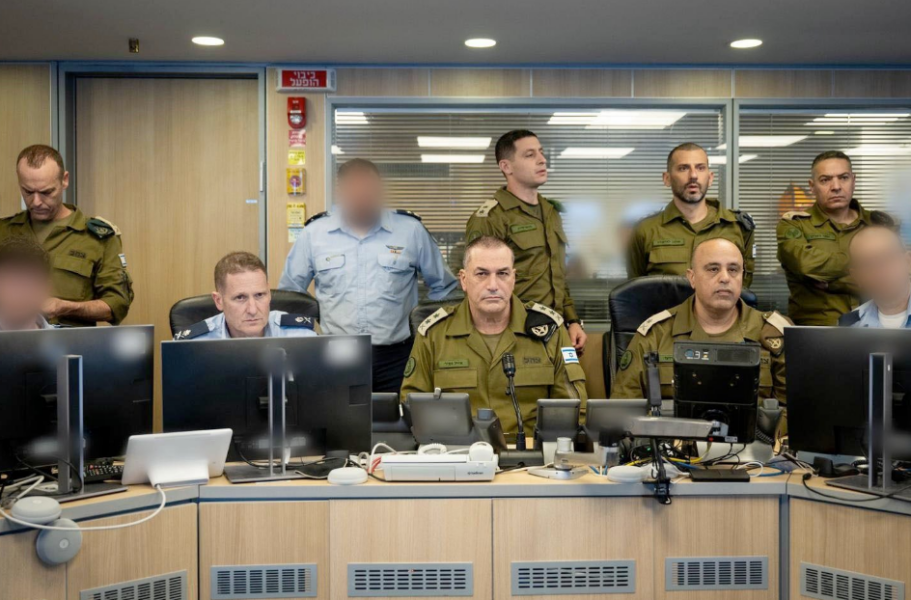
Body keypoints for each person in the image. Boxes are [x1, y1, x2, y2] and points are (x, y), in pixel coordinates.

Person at [279, 158, 458, 392]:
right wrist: (306, 337)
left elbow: (444, 287)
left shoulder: (410, 231)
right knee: (338, 414)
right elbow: (290, 295)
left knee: (400, 414)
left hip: (398, 357)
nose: (362, 199)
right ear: (341, 192)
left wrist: (425, 330)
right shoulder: (314, 234)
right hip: (337, 354)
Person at [401, 236, 587, 437]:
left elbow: (574, 410)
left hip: (530, 450)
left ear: (513, 278)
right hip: (459, 449)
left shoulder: (549, 331)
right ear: (464, 280)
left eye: (502, 274)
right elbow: (413, 408)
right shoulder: (434, 335)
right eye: (481, 274)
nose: (493, 285)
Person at [611, 238, 789, 402]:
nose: (725, 278)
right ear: (692, 278)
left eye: (733, 270)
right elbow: (624, 409)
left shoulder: (774, 334)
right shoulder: (656, 335)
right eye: (713, 269)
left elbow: (794, 411)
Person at [465, 130, 586, 352]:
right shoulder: (491, 218)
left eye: (541, 152)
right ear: (506, 167)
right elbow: (479, 286)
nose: (542, 160)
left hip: (556, 329)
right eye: (530, 155)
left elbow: (557, 275)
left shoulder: (550, 212)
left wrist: (572, 320)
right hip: (513, 335)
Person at [0, 144, 133, 327]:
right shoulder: (4, 232)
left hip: (71, 340)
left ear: (64, 180)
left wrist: (65, 307)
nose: (36, 202)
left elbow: (117, 304)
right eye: (28, 192)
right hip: (10, 339)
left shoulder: (96, 237)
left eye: (46, 192)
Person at [777, 150, 894, 326]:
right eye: (825, 180)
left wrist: (831, 283)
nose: (836, 186)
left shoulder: (878, 224)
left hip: (875, 328)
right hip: (815, 332)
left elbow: (893, 278)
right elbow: (806, 265)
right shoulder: (794, 225)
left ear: (853, 180)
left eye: (843, 178)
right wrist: (869, 263)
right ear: (812, 186)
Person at [627, 142, 756, 287]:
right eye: (683, 168)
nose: (693, 176)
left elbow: (743, 288)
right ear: (667, 178)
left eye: (700, 168)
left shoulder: (738, 227)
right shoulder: (645, 230)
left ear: (710, 178)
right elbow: (636, 291)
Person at [174, 251, 317, 340]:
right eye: (240, 298)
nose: (252, 310)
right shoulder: (192, 345)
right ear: (219, 301)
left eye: (259, 295)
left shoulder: (301, 337)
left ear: (269, 294)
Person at [839, 225, 911, 328]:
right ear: (856, 276)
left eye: (888, 258)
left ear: (908, 262)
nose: (880, 271)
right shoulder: (849, 325)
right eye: (867, 264)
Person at [0, 237, 55, 330]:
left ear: (46, 289)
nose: (19, 293)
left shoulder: (65, 339)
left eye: (28, 284)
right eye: (11, 282)